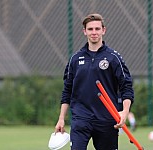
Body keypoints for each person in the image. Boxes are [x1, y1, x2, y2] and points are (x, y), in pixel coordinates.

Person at [55, 13, 134, 150]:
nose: (94, 32)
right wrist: (61, 118)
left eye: (97, 29)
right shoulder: (75, 59)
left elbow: (126, 87)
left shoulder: (113, 58)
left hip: (107, 120)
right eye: (90, 29)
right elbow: (67, 90)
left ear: (104, 30)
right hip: (81, 119)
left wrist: (124, 112)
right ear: (84, 31)